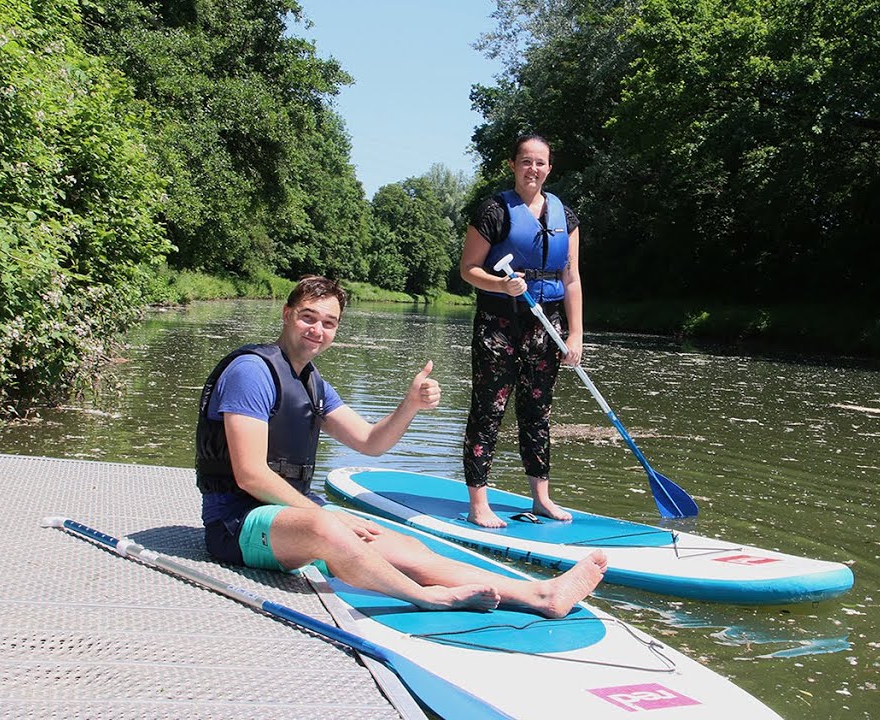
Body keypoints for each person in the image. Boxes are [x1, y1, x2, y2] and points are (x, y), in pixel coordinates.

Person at [194, 275, 606, 617]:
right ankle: (426, 598)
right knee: (326, 526)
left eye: (329, 322)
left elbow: (370, 442)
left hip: (288, 517)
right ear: (287, 315)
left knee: (405, 546)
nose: (318, 330)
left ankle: (540, 595)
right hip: (235, 525)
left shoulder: (311, 383)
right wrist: (329, 518)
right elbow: (250, 474)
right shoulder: (252, 372)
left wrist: (409, 405)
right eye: (308, 317)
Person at [458, 134, 583, 528]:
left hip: (548, 327)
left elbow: (572, 278)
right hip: (499, 325)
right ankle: (479, 503)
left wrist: (575, 334)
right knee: (488, 410)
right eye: (525, 161)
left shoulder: (567, 217)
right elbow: (468, 269)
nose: (533, 169)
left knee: (537, 412)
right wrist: (501, 284)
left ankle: (541, 498)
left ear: (549, 168)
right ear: (513, 165)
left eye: (540, 163)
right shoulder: (493, 211)